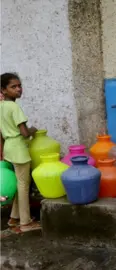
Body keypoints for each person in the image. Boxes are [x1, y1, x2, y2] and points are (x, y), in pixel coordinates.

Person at [0, 73, 41, 231]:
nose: (18, 89)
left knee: (18, 185)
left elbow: (2, 132)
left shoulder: (1, 106)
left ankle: (14, 218)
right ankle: (26, 223)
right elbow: (24, 132)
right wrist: (33, 130)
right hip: (19, 148)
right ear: (3, 90)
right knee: (23, 186)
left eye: (19, 86)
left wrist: (2, 151)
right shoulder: (14, 107)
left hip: (9, 148)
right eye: (13, 87)